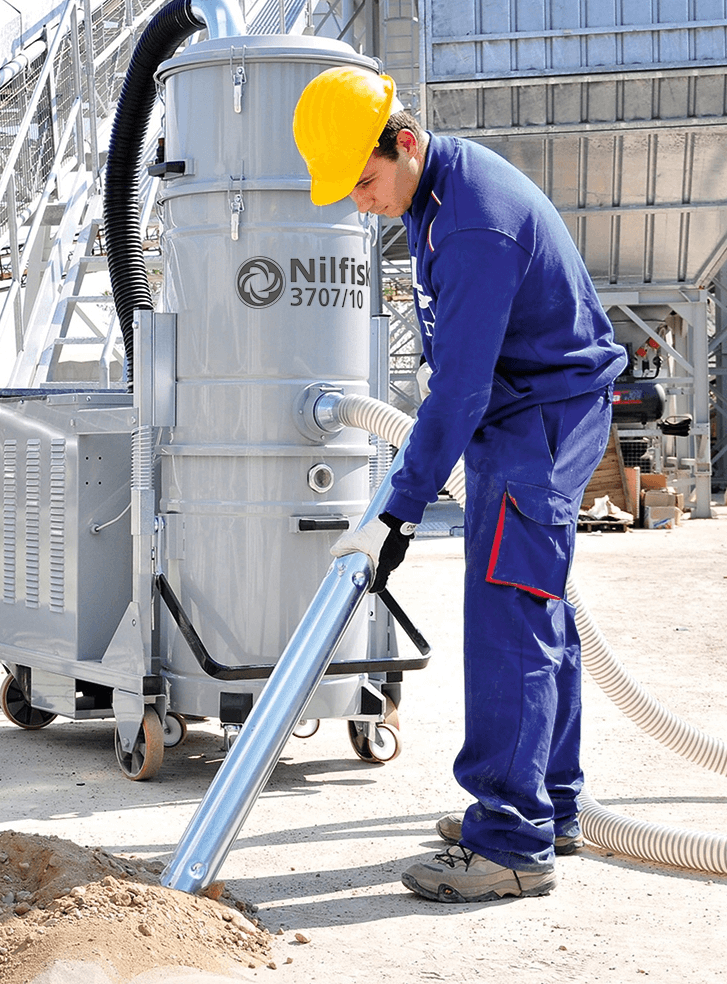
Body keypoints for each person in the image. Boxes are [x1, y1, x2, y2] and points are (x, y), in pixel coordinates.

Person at [292, 66, 627, 902]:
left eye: (363, 181)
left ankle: (510, 842)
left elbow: (460, 390)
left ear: (404, 143)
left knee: (507, 619)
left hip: (535, 422)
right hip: (518, 415)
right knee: (535, 611)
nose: (360, 203)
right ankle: (548, 806)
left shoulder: (473, 222)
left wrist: (395, 515)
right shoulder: (431, 198)